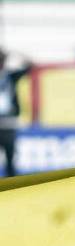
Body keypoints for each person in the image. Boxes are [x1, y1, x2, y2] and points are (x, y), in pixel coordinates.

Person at [0, 49, 32, 178]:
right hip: (7, 123)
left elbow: (30, 66)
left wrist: (15, 53)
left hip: (8, 123)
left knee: (10, 158)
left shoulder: (11, 76)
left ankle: (11, 183)